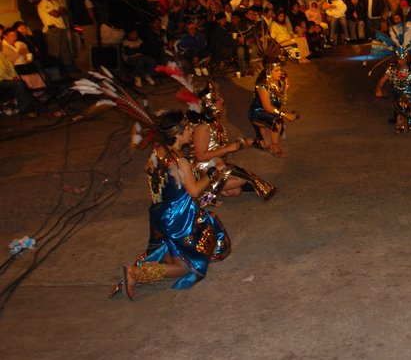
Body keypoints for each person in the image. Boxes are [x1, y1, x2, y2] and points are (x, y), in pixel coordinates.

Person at [111, 111, 231, 299]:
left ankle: (150, 268)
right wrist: (212, 173)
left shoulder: (156, 153)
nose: (191, 130)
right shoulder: (179, 161)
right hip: (177, 217)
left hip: (160, 213)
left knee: (174, 250)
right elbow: (194, 191)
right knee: (184, 268)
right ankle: (134, 274)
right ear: (177, 134)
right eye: (187, 128)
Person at [187, 82, 276, 203]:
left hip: (215, 162)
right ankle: (201, 194)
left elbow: (216, 146)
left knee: (235, 191)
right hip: (203, 168)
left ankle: (212, 189)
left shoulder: (213, 122)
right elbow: (201, 156)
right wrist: (229, 148)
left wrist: (242, 143)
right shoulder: (202, 128)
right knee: (241, 179)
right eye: (218, 99)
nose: (222, 100)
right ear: (210, 105)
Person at [370, 23, 411, 134]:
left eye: (404, 59)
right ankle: (400, 118)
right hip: (399, 98)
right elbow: (382, 80)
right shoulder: (392, 69)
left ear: (407, 58)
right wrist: (378, 89)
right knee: (400, 127)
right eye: (400, 59)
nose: (402, 61)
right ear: (397, 59)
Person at [248, 57, 298, 157]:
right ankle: (275, 147)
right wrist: (285, 115)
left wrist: (284, 78)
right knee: (277, 121)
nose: (280, 72)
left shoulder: (279, 81)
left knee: (265, 144)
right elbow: (267, 107)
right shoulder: (262, 85)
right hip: (258, 113)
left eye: (280, 70)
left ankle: (251, 142)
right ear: (268, 72)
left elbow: (287, 82)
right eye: (276, 70)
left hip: (270, 113)